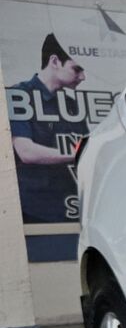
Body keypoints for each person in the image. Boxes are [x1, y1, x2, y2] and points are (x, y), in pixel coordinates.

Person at [6, 34, 89, 224]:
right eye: (77, 69)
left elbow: (85, 145)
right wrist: (78, 154)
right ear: (54, 61)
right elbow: (27, 152)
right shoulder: (18, 95)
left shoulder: (72, 105)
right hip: (33, 214)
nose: (83, 77)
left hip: (70, 210)